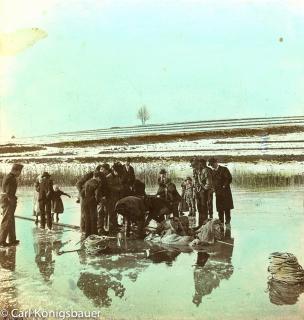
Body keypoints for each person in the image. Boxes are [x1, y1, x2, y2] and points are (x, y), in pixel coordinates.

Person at [0, 163, 23, 247]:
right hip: (8, 201)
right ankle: (1, 241)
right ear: (15, 170)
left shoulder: (10, 177)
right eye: (19, 171)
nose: (20, 173)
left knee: (11, 220)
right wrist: (12, 200)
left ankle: (12, 239)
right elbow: (8, 192)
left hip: (8, 200)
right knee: (7, 220)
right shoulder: (10, 178)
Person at [208, 158, 234, 229]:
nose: (212, 166)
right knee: (220, 208)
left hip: (226, 192)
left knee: (227, 208)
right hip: (218, 193)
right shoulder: (212, 172)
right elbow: (212, 182)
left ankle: (228, 223)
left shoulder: (224, 169)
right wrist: (213, 188)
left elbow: (229, 179)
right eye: (211, 165)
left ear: (216, 162)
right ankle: (221, 222)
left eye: (212, 164)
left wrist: (224, 186)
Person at [76, 164, 102, 233]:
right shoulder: (89, 176)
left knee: (88, 215)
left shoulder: (95, 179)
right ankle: (83, 229)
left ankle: (88, 230)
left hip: (87, 196)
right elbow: (78, 184)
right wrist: (83, 194)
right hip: (85, 196)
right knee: (84, 214)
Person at [83, 171, 108, 238]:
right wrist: (99, 200)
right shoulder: (97, 183)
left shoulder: (87, 182)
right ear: (98, 177)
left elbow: (82, 192)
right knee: (94, 218)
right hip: (92, 201)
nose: (100, 180)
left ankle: (87, 234)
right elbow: (97, 194)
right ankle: (94, 233)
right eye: (100, 178)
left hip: (85, 201)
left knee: (87, 218)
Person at [192, 158, 213, 227]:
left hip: (204, 191)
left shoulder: (206, 170)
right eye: (193, 166)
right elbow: (194, 181)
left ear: (199, 164)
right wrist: (195, 190)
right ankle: (200, 224)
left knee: (204, 207)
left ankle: (205, 224)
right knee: (199, 207)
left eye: (195, 165)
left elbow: (209, 183)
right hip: (197, 191)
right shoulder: (195, 170)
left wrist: (204, 189)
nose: (194, 167)